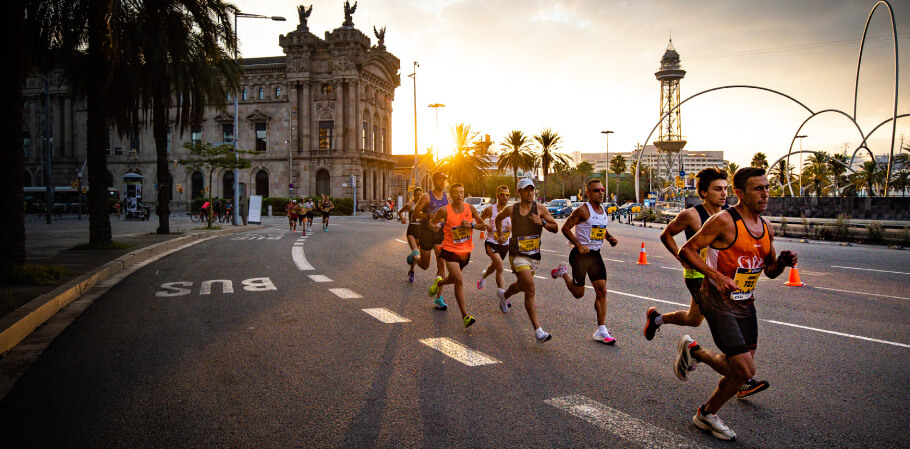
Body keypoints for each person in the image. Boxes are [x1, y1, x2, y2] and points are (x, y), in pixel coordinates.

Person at [674, 167, 797, 441]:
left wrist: (782, 263)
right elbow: (687, 250)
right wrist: (716, 276)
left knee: (740, 372)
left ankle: (706, 410)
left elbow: (770, 271)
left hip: (745, 302)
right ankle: (698, 360)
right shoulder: (723, 221)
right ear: (740, 193)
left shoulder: (766, 227)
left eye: (767, 187)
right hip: (716, 300)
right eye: (758, 188)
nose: (765, 193)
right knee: (746, 370)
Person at [646, 168, 771, 398]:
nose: (723, 194)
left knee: (693, 320)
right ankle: (740, 375)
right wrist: (680, 258)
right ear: (704, 193)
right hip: (699, 277)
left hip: (724, 282)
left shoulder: (729, 217)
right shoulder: (691, 215)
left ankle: (657, 318)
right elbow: (666, 235)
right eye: (717, 189)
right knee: (722, 325)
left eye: (725, 189)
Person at [551, 179, 619, 344]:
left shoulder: (602, 210)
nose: (601, 193)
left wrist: (609, 237)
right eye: (596, 190)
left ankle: (601, 329)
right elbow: (565, 228)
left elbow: (600, 228)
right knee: (578, 294)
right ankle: (563, 273)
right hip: (580, 256)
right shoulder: (582, 210)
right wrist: (578, 244)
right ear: (588, 193)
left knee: (601, 291)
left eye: (602, 190)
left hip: (595, 255)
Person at [494, 178, 558, 343]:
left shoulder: (540, 209)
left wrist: (542, 222)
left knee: (523, 285)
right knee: (530, 289)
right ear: (519, 192)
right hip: (517, 254)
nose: (530, 193)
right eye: (526, 190)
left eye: (532, 190)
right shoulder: (512, 209)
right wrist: (500, 235)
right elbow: (498, 219)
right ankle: (538, 331)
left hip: (534, 256)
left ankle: (504, 295)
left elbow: (555, 228)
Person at [427, 183, 489, 327]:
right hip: (449, 250)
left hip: (465, 252)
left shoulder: (470, 209)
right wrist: (434, 227)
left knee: (453, 279)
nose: (459, 195)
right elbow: (431, 223)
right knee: (459, 280)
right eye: (456, 192)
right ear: (451, 195)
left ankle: (439, 283)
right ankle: (465, 315)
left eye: (461, 192)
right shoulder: (444, 210)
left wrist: (471, 225)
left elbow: (483, 226)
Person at [411, 172, 450, 310]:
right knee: (425, 265)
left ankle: (439, 298)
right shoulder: (427, 197)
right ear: (434, 181)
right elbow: (415, 213)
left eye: (443, 180)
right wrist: (429, 216)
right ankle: (415, 256)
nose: (442, 182)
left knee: (441, 265)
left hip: (440, 234)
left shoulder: (447, 197)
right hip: (427, 233)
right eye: (439, 179)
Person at [476, 185, 512, 312]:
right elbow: (478, 222)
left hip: (505, 245)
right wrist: (486, 226)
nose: (505, 197)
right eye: (502, 194)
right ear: (497, 196)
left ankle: (484, 276)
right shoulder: (490, 209)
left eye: (507, 195)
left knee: (494, 267)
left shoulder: (510, 211)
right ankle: (504, 299)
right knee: (500, 266)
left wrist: (511, 229)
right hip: (492, 243)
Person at [398, 187, 424, 283]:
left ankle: (412, 270)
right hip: (411, 231)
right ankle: (412, 271)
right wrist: (402, 219)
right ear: (413, 195)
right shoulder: (409, 205)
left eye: (421, 195)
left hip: (421, 232)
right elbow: (400, 212)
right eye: (417, 195)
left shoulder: (424, 206)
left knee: (417, 253)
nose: (419, 196)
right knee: (415, 251)